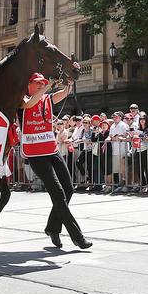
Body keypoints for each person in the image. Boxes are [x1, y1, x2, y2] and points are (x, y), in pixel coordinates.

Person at [21, 73, 91, 249]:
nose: (40, 86)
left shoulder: (46, 98)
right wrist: (48, 85)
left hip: (50, 149)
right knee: (58, 193)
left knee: (68, 189)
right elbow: (29, 104)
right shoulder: (21, 98)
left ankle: (52, 227)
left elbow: (64, 93)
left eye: (42, 83)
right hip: (35, 152)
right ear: (28, 85)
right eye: (37, 83)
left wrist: (69, 82)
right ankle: (77, 237)